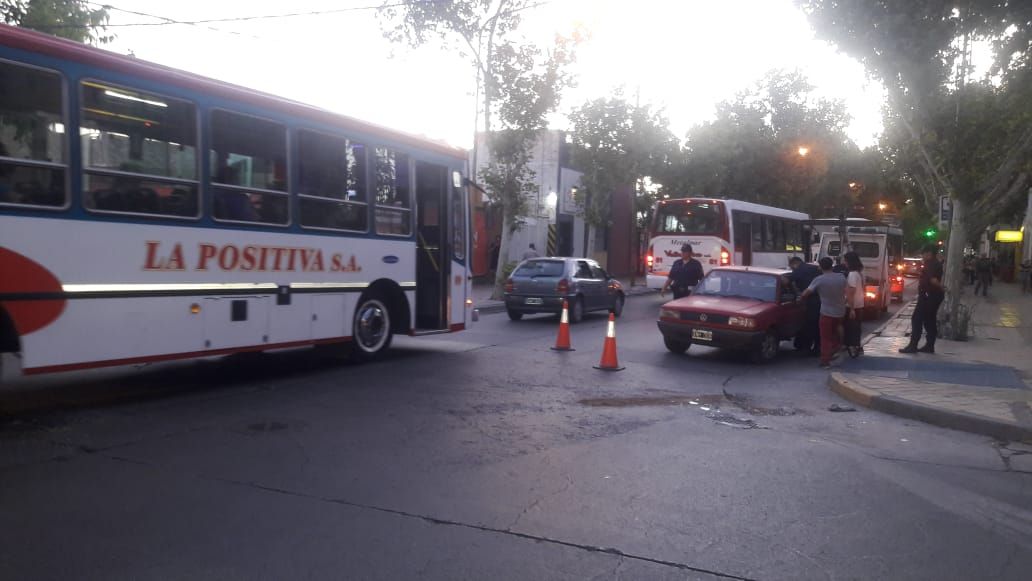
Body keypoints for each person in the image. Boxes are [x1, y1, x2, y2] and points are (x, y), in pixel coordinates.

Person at [799, 257, 847, 368]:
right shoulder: (841, 277)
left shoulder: (819, 279)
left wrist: (801, 297)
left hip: (826, 313)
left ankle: (825, 361)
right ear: (832, 265)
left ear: (820, 267)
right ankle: (835, 349)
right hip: (840, 311)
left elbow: (806, 293)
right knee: (835, 333)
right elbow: (847, 291)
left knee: (825, 337)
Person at [900, 245, 945, 354]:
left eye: (923, 254)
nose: (922, 256)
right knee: (929, 320)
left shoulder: (931, 264)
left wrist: (941, 288)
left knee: (917, 319)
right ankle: (929, 346)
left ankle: (913, 345)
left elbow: (933, 280)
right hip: (932, 295)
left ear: (929, 253)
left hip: (928, 295)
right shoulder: (936, 263)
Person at [788, 256, 821, 355]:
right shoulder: (814, 268)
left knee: (809, 325)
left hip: (809, 300)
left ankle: (806, 348)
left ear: (795, 263)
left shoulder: (798, 271)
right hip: (820, 299)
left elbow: (787, 281)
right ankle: (817, 348)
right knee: (817, 326)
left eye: (792, 267)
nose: (792, 269)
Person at [843, 251, 865, 357]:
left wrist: (851, 309)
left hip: (853, 305)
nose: (844, 262)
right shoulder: (859, 273)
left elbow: (851, 292)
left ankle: (852, 348)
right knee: (857, 327)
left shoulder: (852, 275)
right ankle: (857, 346)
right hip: (860, 304)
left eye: (845, 260)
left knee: (850, 328)